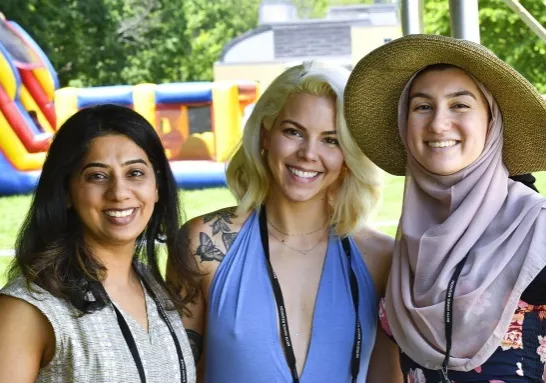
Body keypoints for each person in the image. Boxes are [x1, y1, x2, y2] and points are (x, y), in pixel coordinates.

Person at [171, 61, 400, 382]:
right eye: (293, 132)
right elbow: (175, 371)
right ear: (266, 135)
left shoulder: (381, 258)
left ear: (348, 156)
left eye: (330, 140)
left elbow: (388, 375)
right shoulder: (205, 244)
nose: (308, 153)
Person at [344, 34, 546, 382]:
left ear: (491, 121)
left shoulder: (535, 229)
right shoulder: (409, 241)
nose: (438, 124)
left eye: (460, 105)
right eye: (422, 106)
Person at [0, 104, 198, 382]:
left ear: (157, 187)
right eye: (97, 176)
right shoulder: (30, 306)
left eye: (135, 173)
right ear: (66, 192)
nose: (119, 192)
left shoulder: (156, 288)